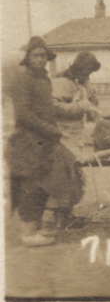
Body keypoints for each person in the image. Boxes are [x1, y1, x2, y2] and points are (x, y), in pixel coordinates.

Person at [6, 37, 61, 246]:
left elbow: (48, 108)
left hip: (44, 141)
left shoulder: (44, 79)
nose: (40, 60)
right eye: (36, 55)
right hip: (27, 141)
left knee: (42, 183)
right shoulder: (23, 79)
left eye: (44, 56)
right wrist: (49, 130)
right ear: (28, 58)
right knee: (30, 184)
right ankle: (28, 234)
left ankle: (36, 228)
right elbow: (23, 115)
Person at [46, 51, 102, 230]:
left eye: (90, 72)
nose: (88, 75)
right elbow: (53, 107)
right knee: (64, 177)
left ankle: (67, 216)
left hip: (75, 136)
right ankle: (59, 220)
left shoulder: (81, 83)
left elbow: (91, 103)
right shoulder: (62, 82)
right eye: (87, 71)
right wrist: (81, 107)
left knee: (75, 177)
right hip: (61, 136)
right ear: (78, 69)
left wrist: (93, 106)